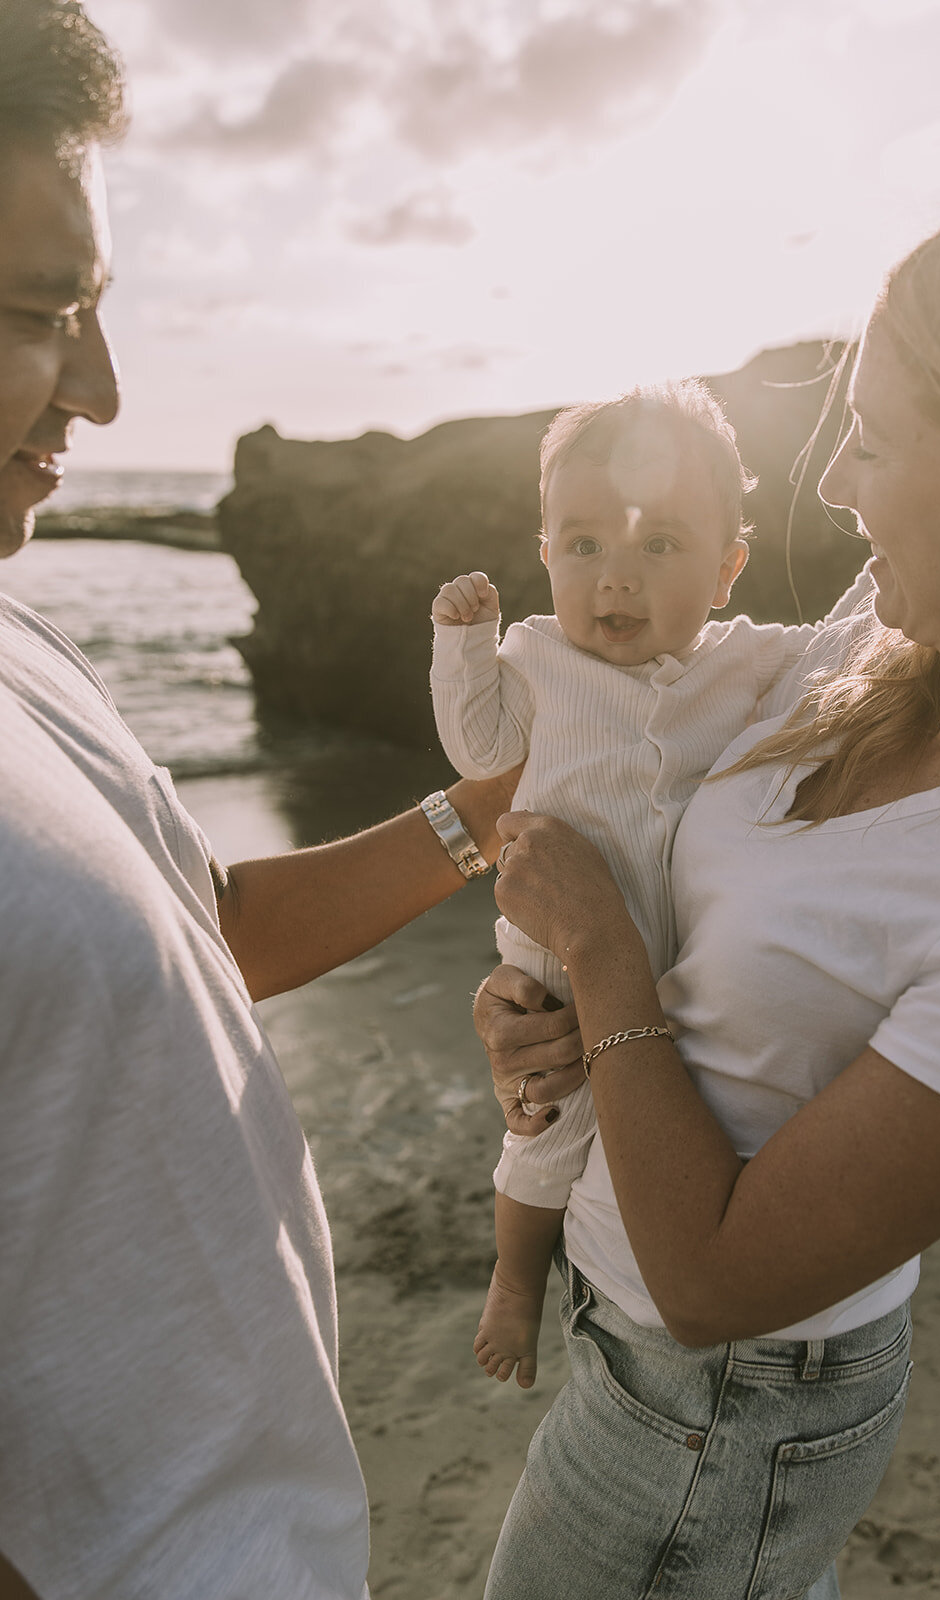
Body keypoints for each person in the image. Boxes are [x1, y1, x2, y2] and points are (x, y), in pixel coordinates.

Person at [474, 169, 940, 1600]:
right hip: (627, 1348)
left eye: (869, 442)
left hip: (726, 1402)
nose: (827, 485)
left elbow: (719, 1280)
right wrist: (532, 1003)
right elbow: (642, 770)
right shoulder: (886, 628)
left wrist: (604, 959)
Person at [0, 6, 514, 1597]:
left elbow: (201, 928)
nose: (100, 385)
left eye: (92, 305)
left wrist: (482, 815)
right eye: (39, 310)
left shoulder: (18, 634)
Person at [430, 382, 868, 1389]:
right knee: (547, 1123)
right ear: (545, 556)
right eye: (581, 546)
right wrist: (463, 641)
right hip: (554, 955)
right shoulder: (535, 657)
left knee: (656, 1111)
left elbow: (840, 651)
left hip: (684, 956)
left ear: (726, 570)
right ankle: (514, 1280)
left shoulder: (745, 660)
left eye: (658, 547)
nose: (613, 580)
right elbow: (477, 742)